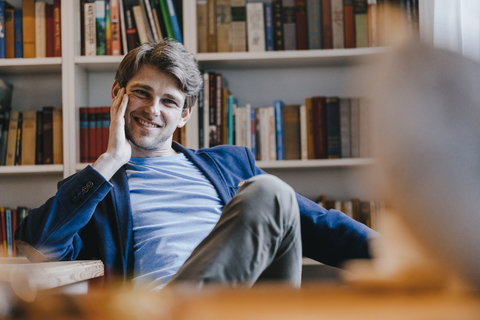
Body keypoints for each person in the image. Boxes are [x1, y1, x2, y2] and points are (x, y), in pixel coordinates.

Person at [15, 40, 375, 290]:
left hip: (247, 307)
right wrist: (109, 162)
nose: (152, 109)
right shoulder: (94, 187)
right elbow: (38, 245)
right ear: (117, 94)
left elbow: (322, 226)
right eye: (142, 92)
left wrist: (419, 260)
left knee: (270, 192)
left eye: (169, 101)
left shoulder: (230, 165)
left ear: (185, 114)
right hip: (166, 308)